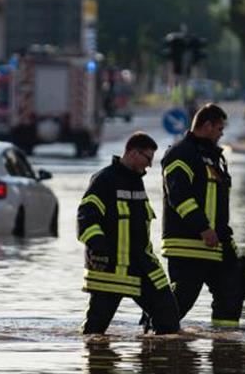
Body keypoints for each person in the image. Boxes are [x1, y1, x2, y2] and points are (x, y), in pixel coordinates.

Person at [77, 131, 181, 336]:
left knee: (169, 321)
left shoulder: (136, 181)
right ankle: (98, 364)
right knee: (94, 333)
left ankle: (153, 362)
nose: (149, 165)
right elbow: (86, 217)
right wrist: (99, 247)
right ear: (133, 153)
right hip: (111, 270)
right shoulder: (104, 180)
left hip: (142, 267)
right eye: (147, 158)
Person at [160, 103, 244, 327]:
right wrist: (203, 228)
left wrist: (230, 246)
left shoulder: (212, 157)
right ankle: (154, 338)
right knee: (183, 298)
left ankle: (225, 348)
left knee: (232, 292)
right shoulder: (181, 154)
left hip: (215, 244)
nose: (221, 134)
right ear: (206, 126)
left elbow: (218, 206)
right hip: (187, 243)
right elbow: (179, 196)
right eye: (219, 129)